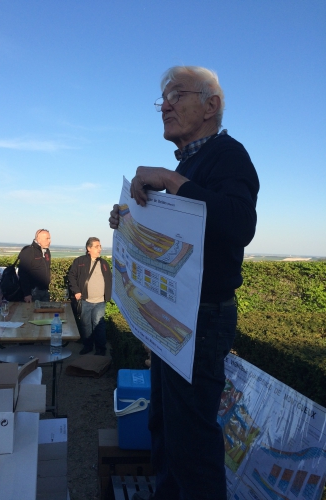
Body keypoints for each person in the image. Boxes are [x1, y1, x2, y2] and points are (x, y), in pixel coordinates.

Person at [109, 66, 259, 500]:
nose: (166, 106)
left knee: (191, 444)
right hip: (174, 317)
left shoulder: (229, 155)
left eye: (177, 95)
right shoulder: (193, 162)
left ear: (211, 105)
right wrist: (129, 221)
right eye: (163, 100)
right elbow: (180, 237)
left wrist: (173, 182)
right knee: (164, 428)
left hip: (201, 319)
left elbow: (238, 223)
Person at [68, 237, 112, 356]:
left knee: (99, 325)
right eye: (97, 246)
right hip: (85, 300)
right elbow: (71, 276)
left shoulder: (104, 263)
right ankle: (87, 346)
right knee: (86, 324)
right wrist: (76, 291)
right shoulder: (80, 261)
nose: (100, 249)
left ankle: (100, 349)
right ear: (89, 248)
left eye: (100, 246)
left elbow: (109, 279)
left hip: (100, 301)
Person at [18, 229, 51, 303]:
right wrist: (27, 294)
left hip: (45, 291)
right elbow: (23, 273)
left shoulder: (47, 251)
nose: (49, 241)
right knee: (32, 314)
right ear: (38, 239)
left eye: (49, 238)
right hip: (33, 292)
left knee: (45, 313)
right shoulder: (28, 251)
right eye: (47, 238)